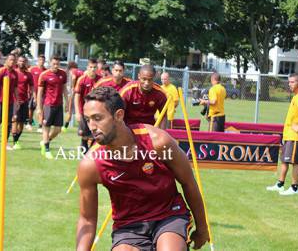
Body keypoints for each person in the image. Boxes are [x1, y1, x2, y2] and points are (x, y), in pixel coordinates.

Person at [76, 86, 209, 250]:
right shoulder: (90, 165)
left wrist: (203, 229)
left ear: (118, 115)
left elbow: (188, 182)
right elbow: (87, 219)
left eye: (97, 118)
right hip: (128, 227)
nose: (92, 126)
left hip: (169, 215)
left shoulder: (158, 141)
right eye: (88, 119)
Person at [267, 73, 298, 195]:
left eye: (292, 82)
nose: (289, 84)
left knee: (295, 162)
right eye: (289, 82)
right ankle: (280, 184)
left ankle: (294, 187)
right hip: (289, 136)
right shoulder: (296, 97)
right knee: (285, 161)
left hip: (295, 137)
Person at [37, 55, 68, 159]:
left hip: (59, 105)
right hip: (48, 105)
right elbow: (40, 93)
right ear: (50, 63)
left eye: (57, 64)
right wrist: (39, 108)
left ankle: (45, 142)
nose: (55, 66)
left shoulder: (63, 74)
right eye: (54, 64)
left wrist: (67, 102)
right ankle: (47, 150)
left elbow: (64, 89)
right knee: (46, 127)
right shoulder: (44, 75)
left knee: (58, 129)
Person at [74, 59, 101, 152]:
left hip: (96, 111)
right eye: (91, 67)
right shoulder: (82, 80)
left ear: (97, 68)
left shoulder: (100, 80)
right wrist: (77, 112)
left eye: (94, 67)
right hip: (84, 111)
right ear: (87, 68)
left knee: (95, 132)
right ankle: (84, 147)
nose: (93, 69)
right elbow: (77, 97)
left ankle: (90, 151)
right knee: (84, 133)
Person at [11, 56, 34, 149]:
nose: (21, 62)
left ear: (25, 62)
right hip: (14, 100)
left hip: (24, 101)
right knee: (15, 120)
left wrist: (31, 93)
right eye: (20, 60)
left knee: (21, 123)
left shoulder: (28, 74)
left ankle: (16, 140)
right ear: (17, 62)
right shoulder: (13, 72)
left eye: (23, 61)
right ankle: (14, 142)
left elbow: (32, 85)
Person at [63, 61, 85, 132]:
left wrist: (73, 86)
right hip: (81, 93)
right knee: (80, 110)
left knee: (70, 110)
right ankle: (82, 126)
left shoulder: (72, 71)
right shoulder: (81, 71)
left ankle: (65, 126)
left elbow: (73, 77)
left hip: (75, 92)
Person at [27, 54, 46, 132]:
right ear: (37, 61)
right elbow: (28, 81)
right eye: (40, 60)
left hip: (41, 94)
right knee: (31, 109)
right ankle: (29, 123)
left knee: (41, 110)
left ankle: (40, 126)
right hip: (32, 92)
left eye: (43, 60)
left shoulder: (45, 71)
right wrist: (28, 91)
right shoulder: (32, 69)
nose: (41, 62)